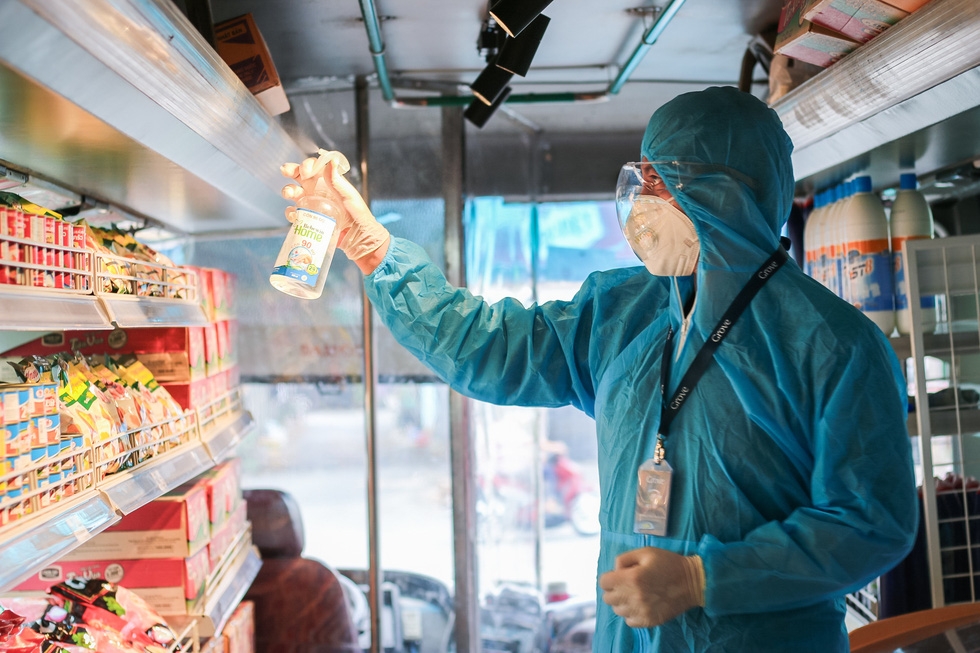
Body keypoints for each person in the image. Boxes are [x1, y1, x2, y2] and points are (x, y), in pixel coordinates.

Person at [281, 86, 918, 652]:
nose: (641, 202)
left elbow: (870, 524)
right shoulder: (623, 311)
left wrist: (705, 579)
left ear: (727, 194)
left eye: (661, 181)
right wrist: (371, 248)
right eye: (640, 177)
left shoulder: (834, 346)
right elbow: (488, 348)